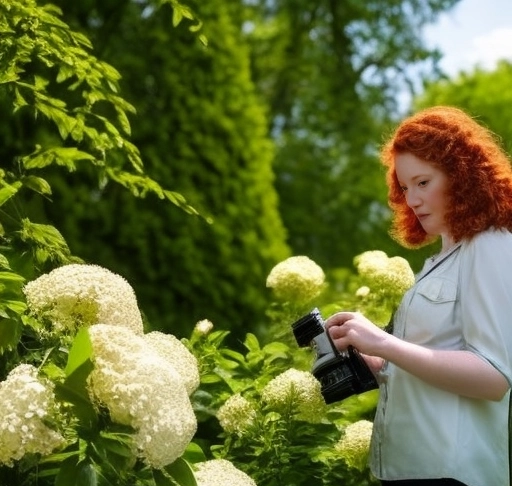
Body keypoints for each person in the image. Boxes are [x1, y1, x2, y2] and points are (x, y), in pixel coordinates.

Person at [325, 106, 512, 486]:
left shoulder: (489, 245)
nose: (411, 199)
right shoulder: (437, 262)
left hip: (452, 475)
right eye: (405, 187)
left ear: (462, 177)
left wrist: (384, 342)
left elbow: (493, 376)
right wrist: (370, 358)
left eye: (423, 182)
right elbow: (429, 364)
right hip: (404, 471)